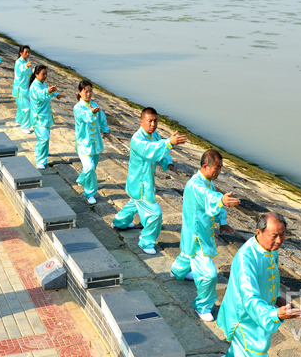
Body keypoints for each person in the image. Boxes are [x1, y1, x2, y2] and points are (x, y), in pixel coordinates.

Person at [217, 212, 301, 356]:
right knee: (255, 352)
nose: (279, 240)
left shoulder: (269, 250)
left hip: (259, 311)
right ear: (258, 232)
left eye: (282, 234)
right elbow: (249, 297)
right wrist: (274, 314)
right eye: (274, 236)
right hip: (245, 317)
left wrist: (277, 298)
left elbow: (271, 278)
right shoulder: (246, 259)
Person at [170, 150, 241, 321]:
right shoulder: (196, 186)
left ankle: (176, 272)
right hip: (197, 237)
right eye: (217, 168)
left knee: (187, 255)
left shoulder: (207, 182)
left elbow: (211, 198)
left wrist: (222, 221)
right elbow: (209, 197)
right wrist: (221, 201)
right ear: (205, 166)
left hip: (199, 232)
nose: (219, 172)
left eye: (220, 168)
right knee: (209, 275)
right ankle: (202, 306)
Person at [111, 107, 187, 254]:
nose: (153, 124)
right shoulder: (137, 139)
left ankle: (119, 222)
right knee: (155, 213)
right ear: (141, 121)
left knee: (134, 203)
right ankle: (146, 242)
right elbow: (150, 150)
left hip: (146, 182)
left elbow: (160, 152)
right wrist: (169, 142)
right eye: (149, 121)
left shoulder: (155, 135)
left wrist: (168, 163)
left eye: (155, 121)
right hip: (140, 184)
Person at [73, 79, 113, 204]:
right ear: (80, 92)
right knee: (89, 167)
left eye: (90, 91)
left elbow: (102, 119)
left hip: (95, 144)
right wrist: (91, 112)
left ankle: (81, 179)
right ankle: (89, 193)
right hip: (84, 144)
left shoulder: (95, 105)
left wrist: (106, 132)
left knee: (92, 168)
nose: (89, 94)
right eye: (86, 91)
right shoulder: (78, 108)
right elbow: (85, 117)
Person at [28, 65, 65, 170]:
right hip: (39, 117)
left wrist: (56, 94)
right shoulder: (35, 86)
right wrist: (48, 91)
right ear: (36, 74)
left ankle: (39, 150)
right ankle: (40, 160)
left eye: (46, 74)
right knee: (44, 138)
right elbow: (41, 95)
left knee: (43, 137)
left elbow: (48, 91)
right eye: (43, 74)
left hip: (45, 116)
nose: (45, 76)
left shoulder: (42, 84)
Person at [12, 45, 32, 133]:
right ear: (21, 53)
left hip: (26, 89)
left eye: (28, 52)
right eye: (26, 52)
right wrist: (27, 66)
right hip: (20, 90)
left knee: (21, 107)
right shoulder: (19, 62)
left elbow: (29, 74)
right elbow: (21, 70)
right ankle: (25, 126)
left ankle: (18, 121)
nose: (27, 54)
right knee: (27, 108)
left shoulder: (27, 61)